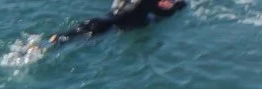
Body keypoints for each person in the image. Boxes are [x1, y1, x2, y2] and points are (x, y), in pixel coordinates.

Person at [49, 0, 184, 44]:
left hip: (98, 20)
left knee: (66, 38)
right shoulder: (146, 2)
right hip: (106, 27)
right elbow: (167, 13)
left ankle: (46, 43)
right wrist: (180, 4)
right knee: (72, 41)